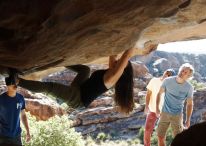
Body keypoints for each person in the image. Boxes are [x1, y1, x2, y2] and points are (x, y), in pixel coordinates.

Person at [12, 45, 157, 114]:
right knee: (85, 70)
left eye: (121, 64)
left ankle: (17, 81)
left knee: (50, 87)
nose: (118, 62)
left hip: (78, 99)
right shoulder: (112, 70)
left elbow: (126, 57)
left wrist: (135, 42)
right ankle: (58, 59)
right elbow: (113, 55)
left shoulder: (112, 78)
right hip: (80, 88)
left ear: (122, 70)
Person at [156, 63, 194, 146]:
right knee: (160, 136)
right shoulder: (167, 81)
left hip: (177, 115)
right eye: (182, 70)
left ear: (188, 76)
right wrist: (157, 109)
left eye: (185, 72)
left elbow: (190, 104)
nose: (182, 72)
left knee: (178, 138)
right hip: (164, 113)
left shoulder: (189, 87)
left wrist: (188, 120)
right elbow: (159, 93)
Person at [144, 69, 175, 146]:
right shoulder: (154, 80)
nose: (167, 75)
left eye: (170, 75)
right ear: (164, 72)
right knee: (147, 130)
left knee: (161, 133)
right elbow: (148, 94)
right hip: (152, 110)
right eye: (167, 72)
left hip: (164, 112)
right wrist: (146, 106)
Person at [0, 76, 31, 146]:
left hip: (17, 136)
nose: (15, 85)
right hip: (3, 136)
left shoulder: (20, 98)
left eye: (16, 83)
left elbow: (23, 115)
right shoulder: (1, 99)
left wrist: (28, 131)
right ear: (7, 85)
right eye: (13, 83)